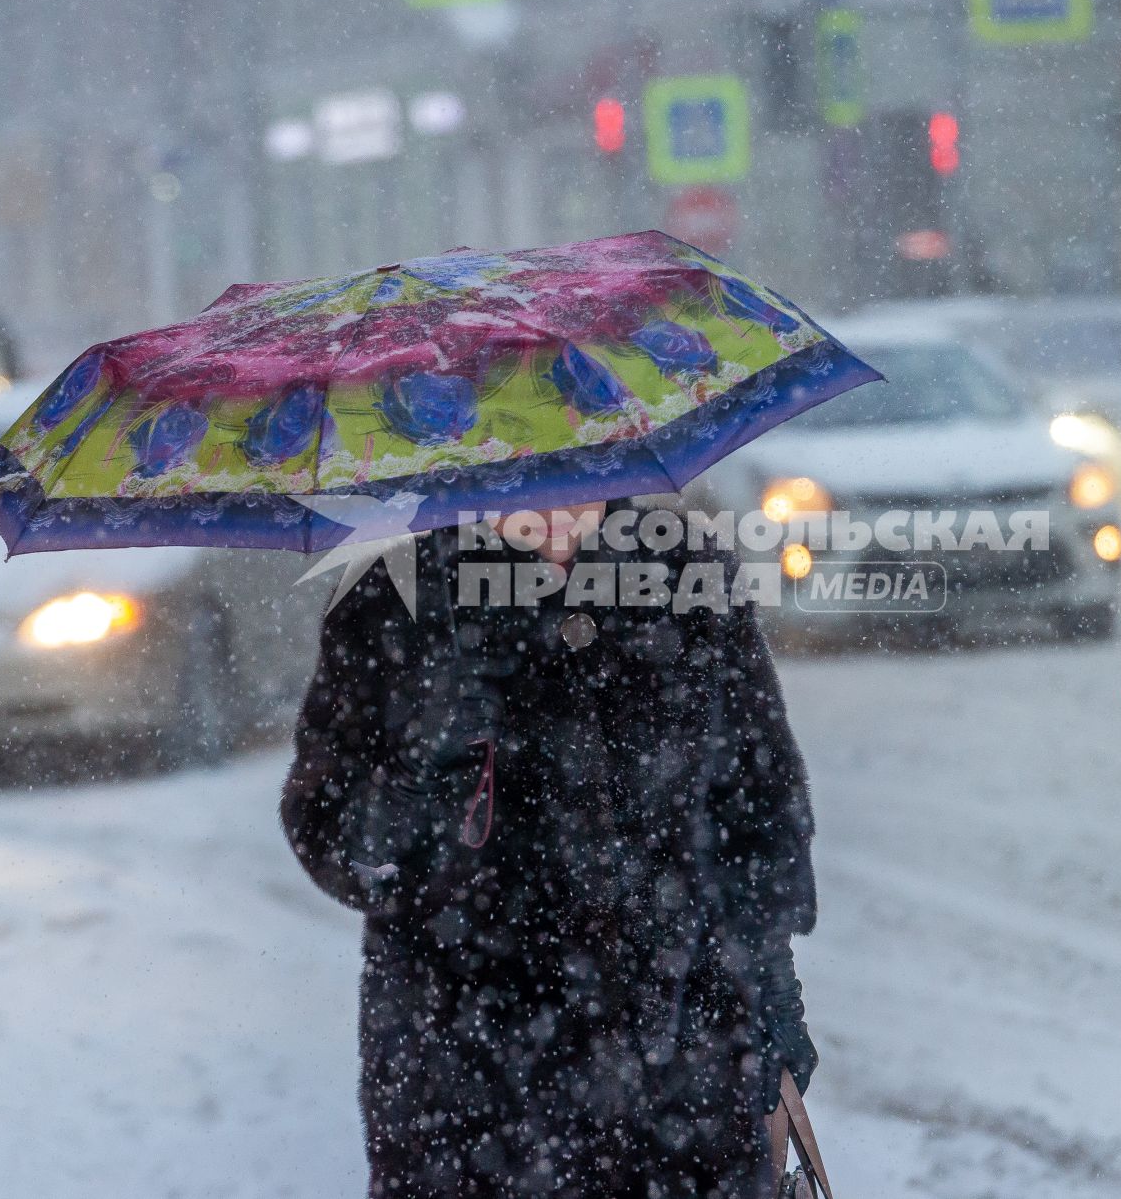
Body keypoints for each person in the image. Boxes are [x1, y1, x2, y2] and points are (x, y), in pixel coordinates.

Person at [281, 500, 818, 1199]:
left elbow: (759, 796)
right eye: (522, 483)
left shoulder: (684, 566)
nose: (559, 504)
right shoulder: (395, 584)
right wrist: (417, 772)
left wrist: (772, 980)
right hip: (467, 1081)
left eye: (585, 472)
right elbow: (334, 834)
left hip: (685, 1054)